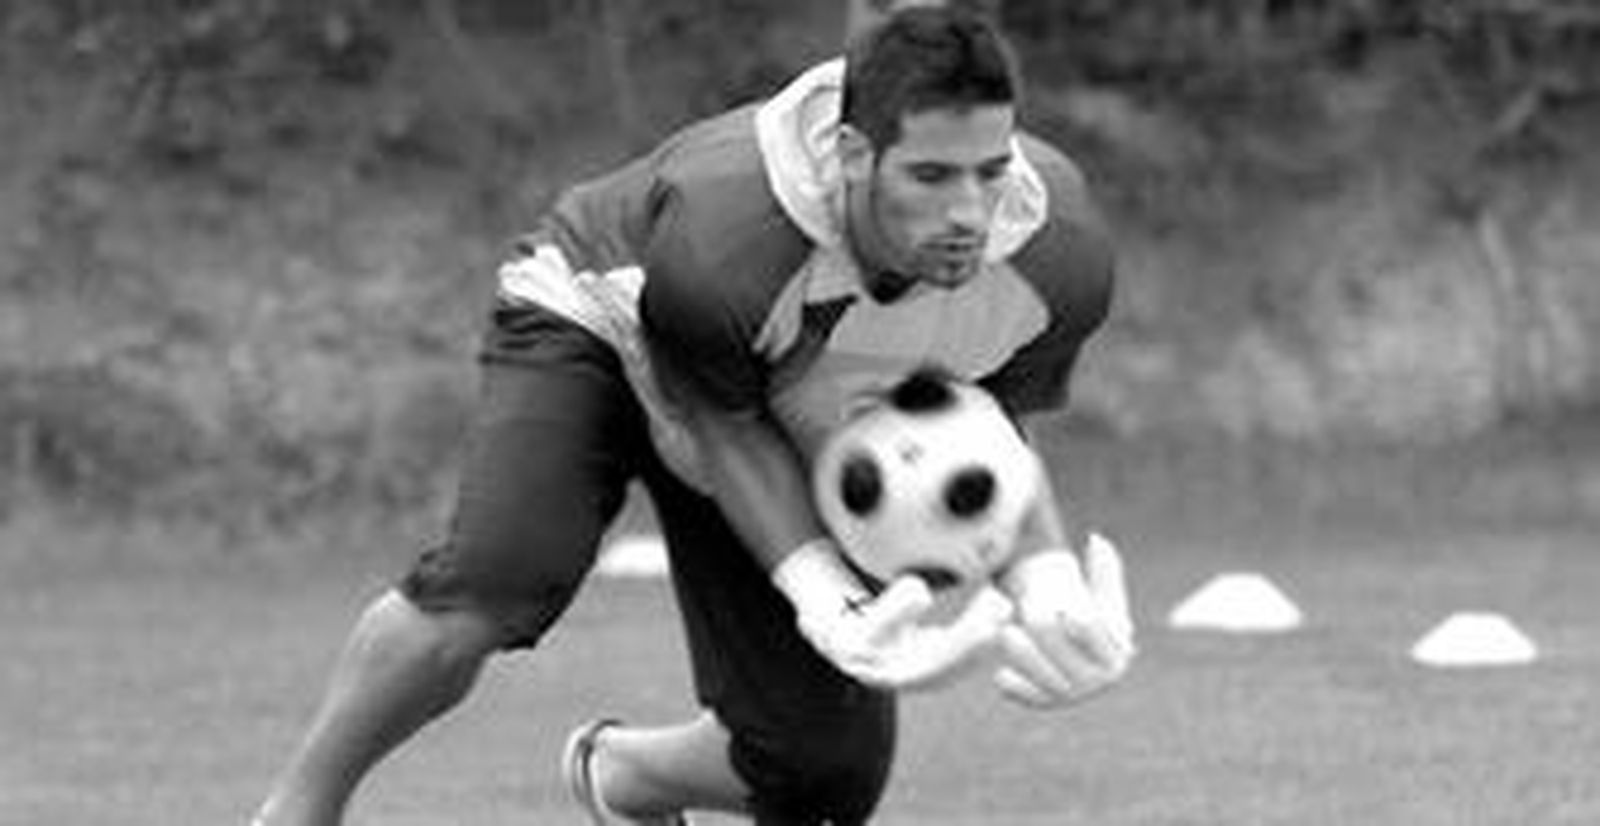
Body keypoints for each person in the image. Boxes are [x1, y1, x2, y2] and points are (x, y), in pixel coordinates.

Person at [250, 6, 1134, 826]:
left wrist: (1047, 588)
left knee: (826, 772)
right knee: (496, 580)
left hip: (770, 384)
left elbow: (984, 431)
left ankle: (622, 776)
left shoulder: (1061, 257)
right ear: (855, 155)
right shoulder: (735, 233)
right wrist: (827, 598)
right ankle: (295, 812)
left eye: (989, 172)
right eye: (932, 176)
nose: (969, 213)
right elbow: (718, 424)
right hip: (596, 320)